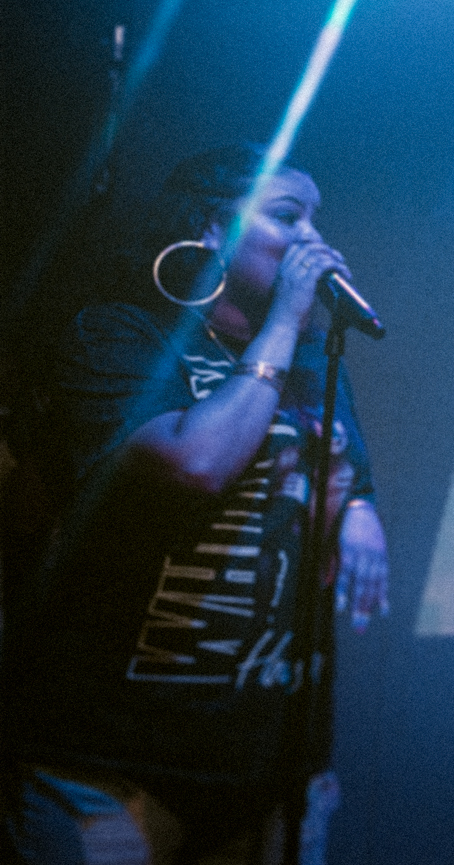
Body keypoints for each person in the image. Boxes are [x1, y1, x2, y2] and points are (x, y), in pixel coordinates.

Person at [3, 144, 389, 864]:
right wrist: (284, 319)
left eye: (317, 219)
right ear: (213, 227)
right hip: (114, 762)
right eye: (287, 216)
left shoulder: (315, 364)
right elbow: (196, 463)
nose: (313, 238)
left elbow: (343, 477)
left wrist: (358, 509)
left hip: (268, 767)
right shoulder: (123, 336)